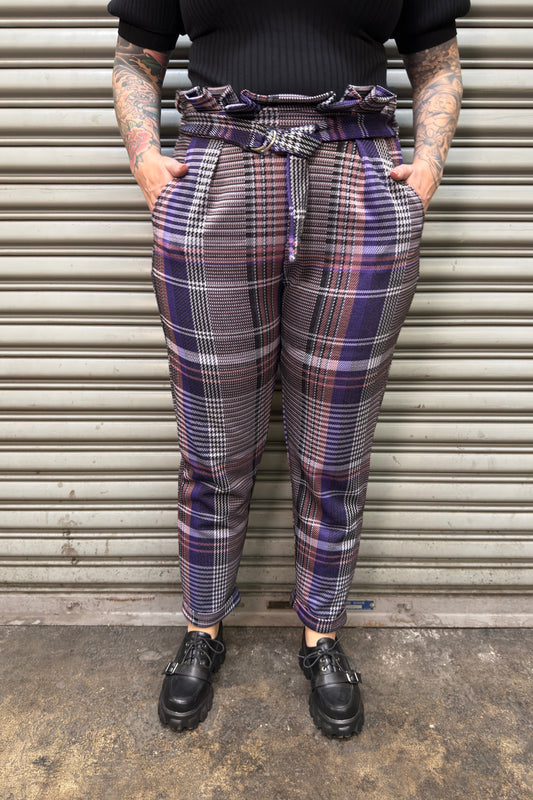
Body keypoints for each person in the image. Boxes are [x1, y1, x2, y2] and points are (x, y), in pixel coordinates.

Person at [108, 0, 470, 738]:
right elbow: (136, 54)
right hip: (217, 171)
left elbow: (435, 59)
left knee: (333, 452)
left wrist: (426, 165)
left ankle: (322, 637)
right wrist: (146, 156)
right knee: (214, 447)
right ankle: (202, 628)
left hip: (359, 176)